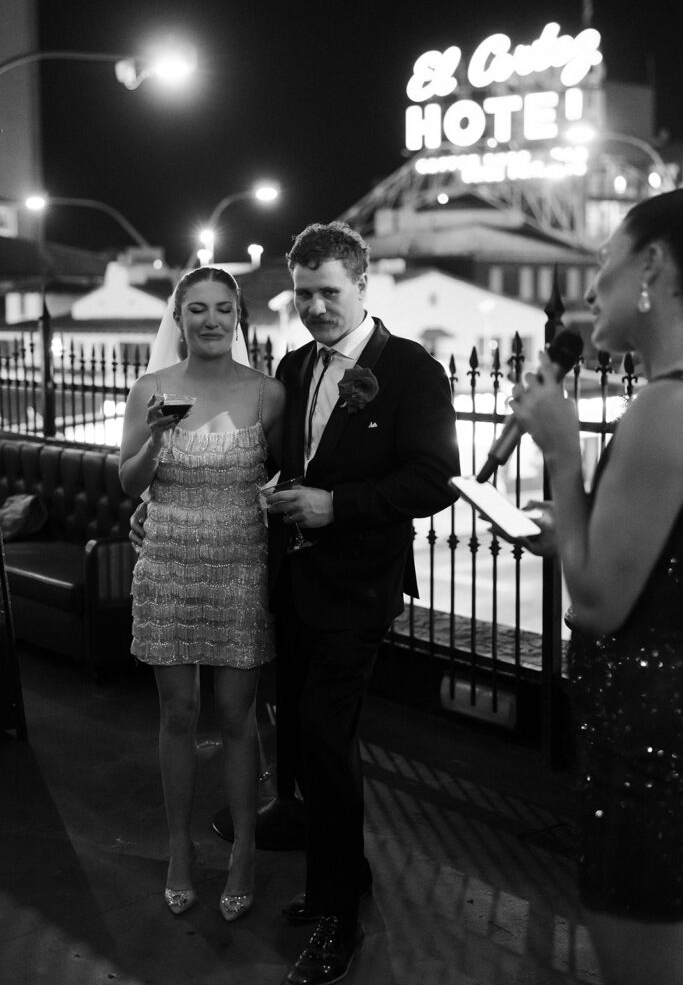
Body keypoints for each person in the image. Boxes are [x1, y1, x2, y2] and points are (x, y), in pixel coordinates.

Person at [263, 221, 460, 985]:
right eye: (304, 293)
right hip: (295, 584)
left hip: (359, 587)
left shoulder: (409, 369)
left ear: (363, 285)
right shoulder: (294, 362)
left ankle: (337, 915)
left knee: (324, 739)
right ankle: (342, 875)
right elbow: (287, 463)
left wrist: (333, 507)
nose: (314, 307)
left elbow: (433, 478)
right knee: (309, 742)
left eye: (328, 293)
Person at [508, 189, 683, 985]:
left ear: (650, 266)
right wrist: (575, 522)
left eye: (603, 266)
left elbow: (597, 602)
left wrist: (564, 455)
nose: (589, 291)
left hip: (651, 754)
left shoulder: (664, 407)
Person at [119, 266, 285, 922]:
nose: (210, 320)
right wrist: (158, 434)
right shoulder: (152, 388)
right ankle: (179, 852)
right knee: (178, 716)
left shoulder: (267, 394)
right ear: (178, 317)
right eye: (197, 309)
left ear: (238, 316)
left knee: (239, 717)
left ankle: (243, 851)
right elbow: (130, 483)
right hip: (165, 566)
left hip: (241, 565)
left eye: (222, 308)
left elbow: (286, 476)